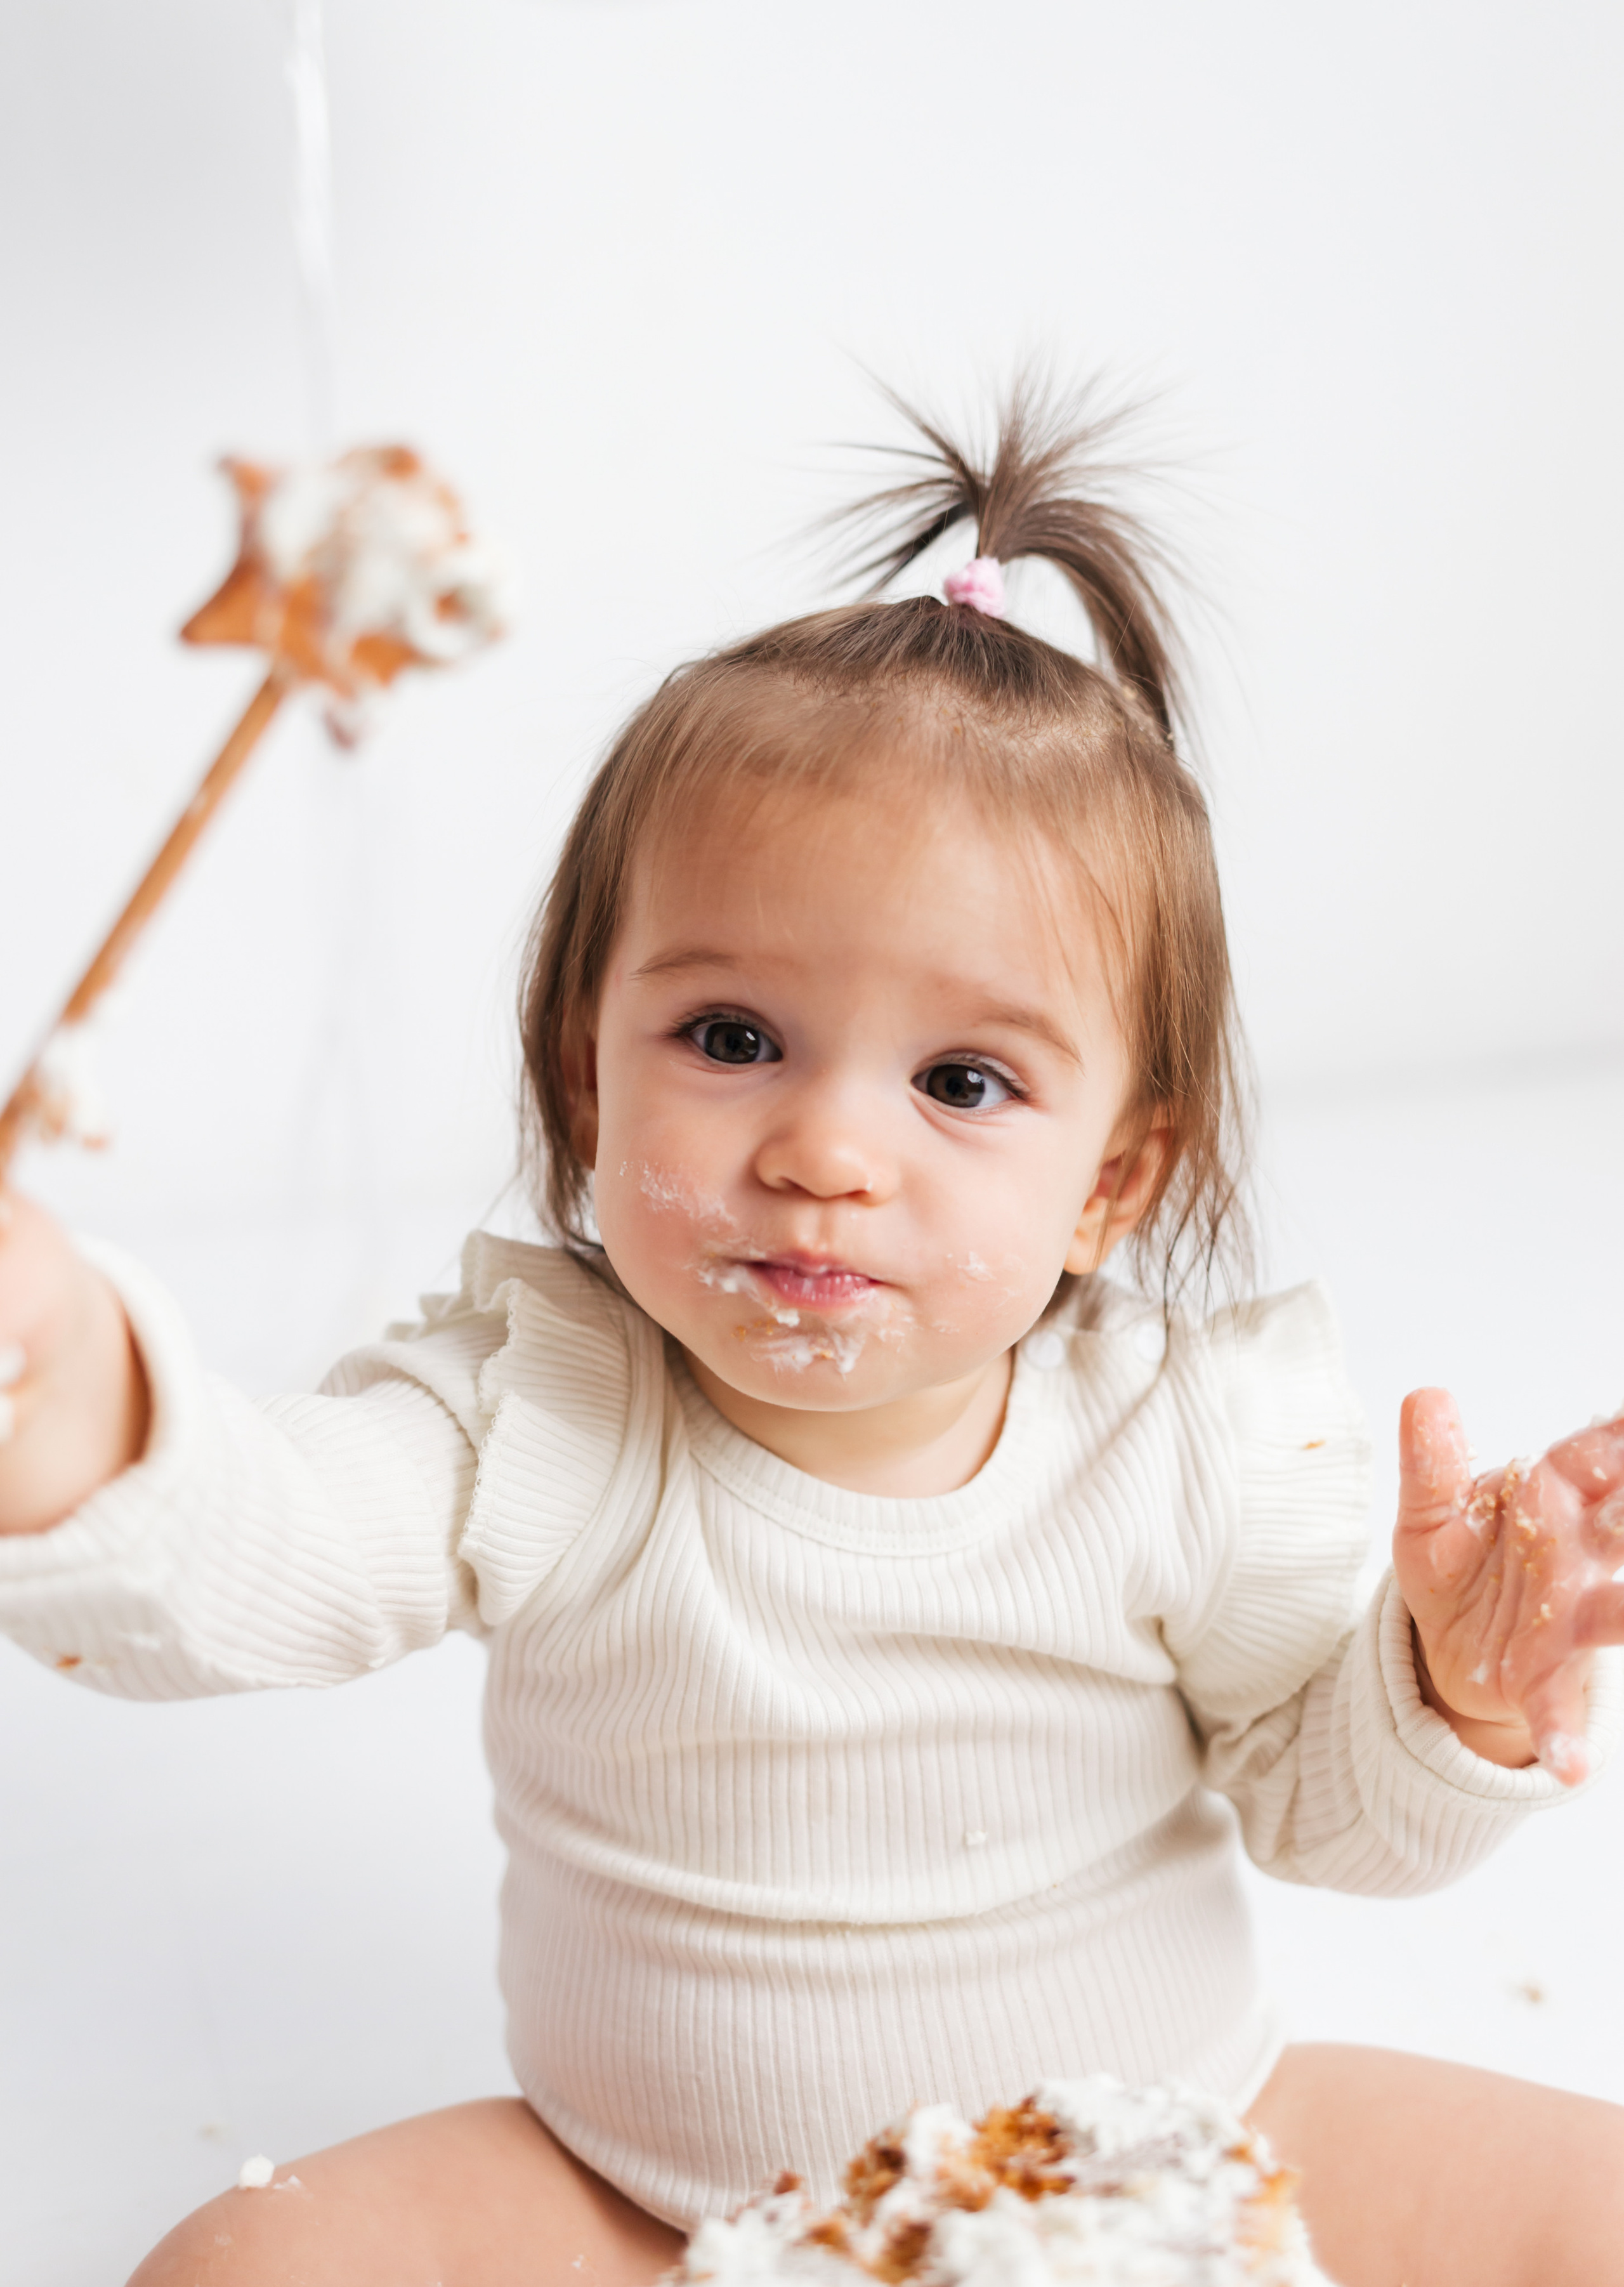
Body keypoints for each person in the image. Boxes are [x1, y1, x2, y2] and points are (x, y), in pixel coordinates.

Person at [2, 384, 1622, 2287]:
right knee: (240, 2265)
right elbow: (252, 1546)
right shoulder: (545, 1414)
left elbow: (1327, 1817)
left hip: (1170, 2136)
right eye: (733, 1039)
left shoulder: (1182, 1441)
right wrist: (62, 1377)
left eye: (961, 1079)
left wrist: (1453, 1694)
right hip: (650, 2200)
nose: (827, 1152)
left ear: (1114, 1179)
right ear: (586, 1082)